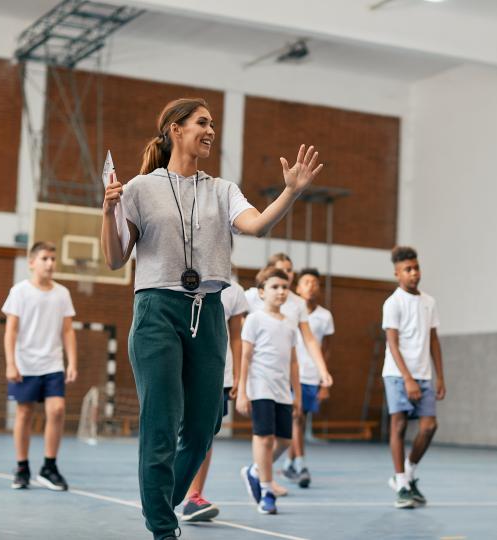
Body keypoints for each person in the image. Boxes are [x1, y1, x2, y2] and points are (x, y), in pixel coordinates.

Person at [100, 97, 324, 540]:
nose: (210, 130)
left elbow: (257, 225)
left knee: (203, 427)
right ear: (175, 129)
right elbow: (113, 258)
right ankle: (163, 528)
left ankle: (162, 503)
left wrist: (291, 190)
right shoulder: (140, 189)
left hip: (208, 312)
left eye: (213, 124)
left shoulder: (223, 189)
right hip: (157, 311)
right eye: (202, 122)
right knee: (161, 423)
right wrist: (108, 211)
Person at [2, 241, 78, 491]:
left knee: (56, 410)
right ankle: (22, 467)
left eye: (53, 259)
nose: (50, 263)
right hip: (25, 365)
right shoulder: (19, 291)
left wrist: (72, 362)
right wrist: (11, 363)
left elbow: (68, 331)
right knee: (24, 413)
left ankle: (49, 467)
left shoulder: (62, 293)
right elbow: (11, 330)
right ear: (32, 263)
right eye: (45, 258)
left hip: (52, 363)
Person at [180, 276, 249, 522]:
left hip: (219, 372)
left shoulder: (235, 291)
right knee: (181, 431)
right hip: (184, 368)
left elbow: (238, 337)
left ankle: (194, 496)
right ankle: (172, 491)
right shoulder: (183, 279)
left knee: (205, 435)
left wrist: (239, 375)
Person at [382, 246, 445, 509]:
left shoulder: (429, 302)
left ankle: (407, 472)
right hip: (397, 375)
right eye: (407, 269)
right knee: (398, 426)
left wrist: (440, 376)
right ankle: (402, 484)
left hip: (424, 375)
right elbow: (393, 344)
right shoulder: (393, 303)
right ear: (397, 273)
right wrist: (407, 378)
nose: (414, 273)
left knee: (429, 427)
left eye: (416, 268)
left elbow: (433, 340)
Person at [236, 268, 301, 515]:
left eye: (285, 287)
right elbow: (246, 357)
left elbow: (294, 361)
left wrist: (297, 395)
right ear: (261, 292)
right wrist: (242, 392)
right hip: (260, 386)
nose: (281, 292)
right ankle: (266, 491)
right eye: (275, 287)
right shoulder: (254, 319)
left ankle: (254, 470)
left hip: (283, 389)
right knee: (264, 438)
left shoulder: (290, 324)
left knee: (284, 440)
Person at [282, 268, 334, 488]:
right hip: (291, 374)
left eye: (315, 283)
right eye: (306, 282)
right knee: (296, 418)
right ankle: (301, 464)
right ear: (298, 287)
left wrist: (324, 382)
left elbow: (327, 351)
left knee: (300, 421)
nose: (311, 286)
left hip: (313, 377)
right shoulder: (289, 310)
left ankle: (288, 463)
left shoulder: (325, 316)